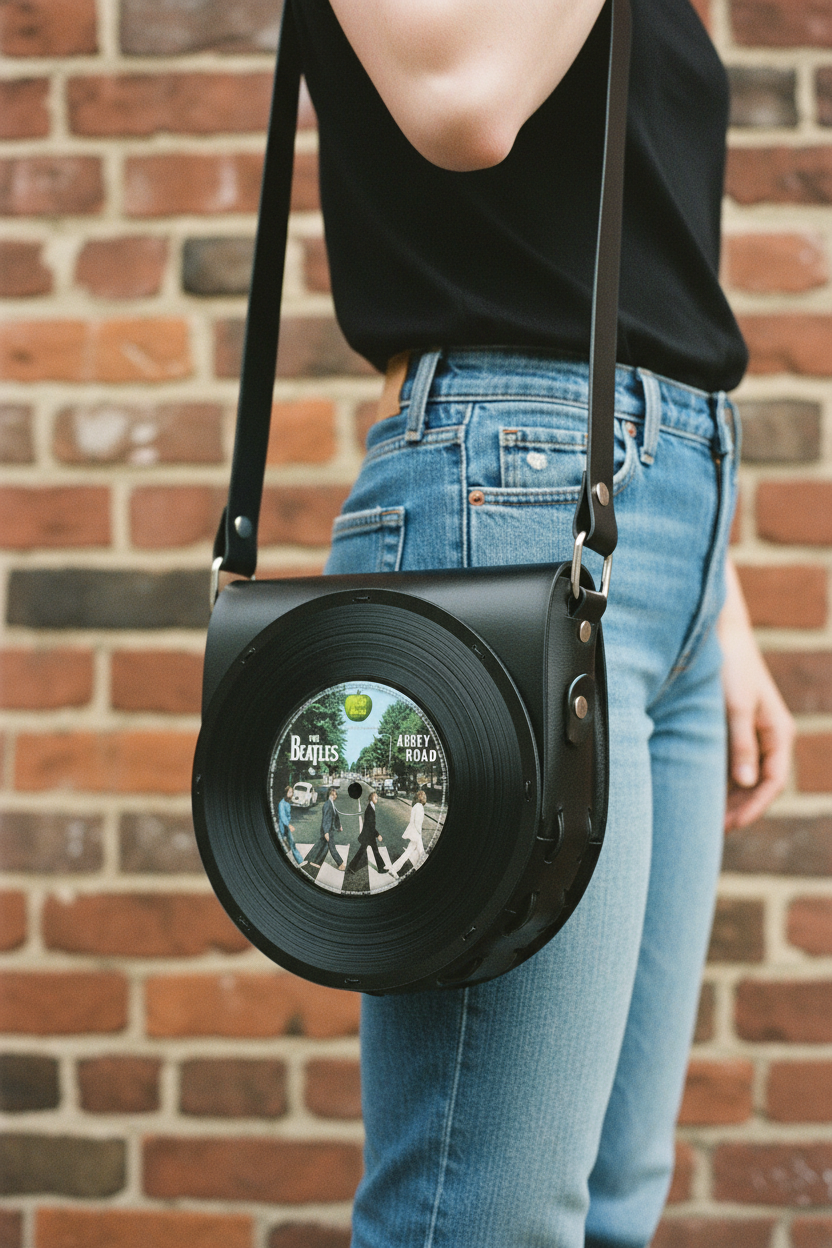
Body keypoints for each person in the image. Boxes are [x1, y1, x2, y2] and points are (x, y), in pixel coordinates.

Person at [289, 0, 796, 1243]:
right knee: (485, 1207)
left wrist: (712, 609)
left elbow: (620, 263)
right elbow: (461, 105)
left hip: (651, 525)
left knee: (615, 1197)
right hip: (508, 502)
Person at [305, 787, 347, 872]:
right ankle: (340, 864)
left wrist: (339, 826)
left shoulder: (331, 803)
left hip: (328, 829)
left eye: (336, 795)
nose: (336, 796)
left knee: (322, 845)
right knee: (332, 847)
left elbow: (334, 817)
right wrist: (326, 832)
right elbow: (326, 819)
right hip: (327, 830)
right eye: (334, 794)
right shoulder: (328, 804)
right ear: (331, 795)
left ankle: (313, 860)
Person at [388, 790, 427, 879]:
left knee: (411, 853)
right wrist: (419, 834)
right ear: (421, 797)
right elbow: (417, 822)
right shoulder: (419, 806)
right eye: (424, 796)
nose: (425, 798)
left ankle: (393, 869)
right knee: (421, 854)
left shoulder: (415, 806)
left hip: (414, 833)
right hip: (416, 834)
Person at [348, 791, 387, 875]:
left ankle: (380, 868)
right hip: (368, 835)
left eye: (377, 797)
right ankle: (351, 867)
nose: (376, 798)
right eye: (375, 797)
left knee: (374, 850)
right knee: (362, 851)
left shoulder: (371, 807)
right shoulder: (370, 809)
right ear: (370, 799)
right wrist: (378, 835)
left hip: (369, 834)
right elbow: (370, 825)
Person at [277, 786, 304, 865]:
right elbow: (283, 816)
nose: (291, 794)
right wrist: (289, 825)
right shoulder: (281, 804)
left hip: (286, 828)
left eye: (292, 792)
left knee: (292, 844)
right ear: (285, 793)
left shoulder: (287, 803)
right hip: (281, 828)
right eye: (290, 792)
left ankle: (301, 862)